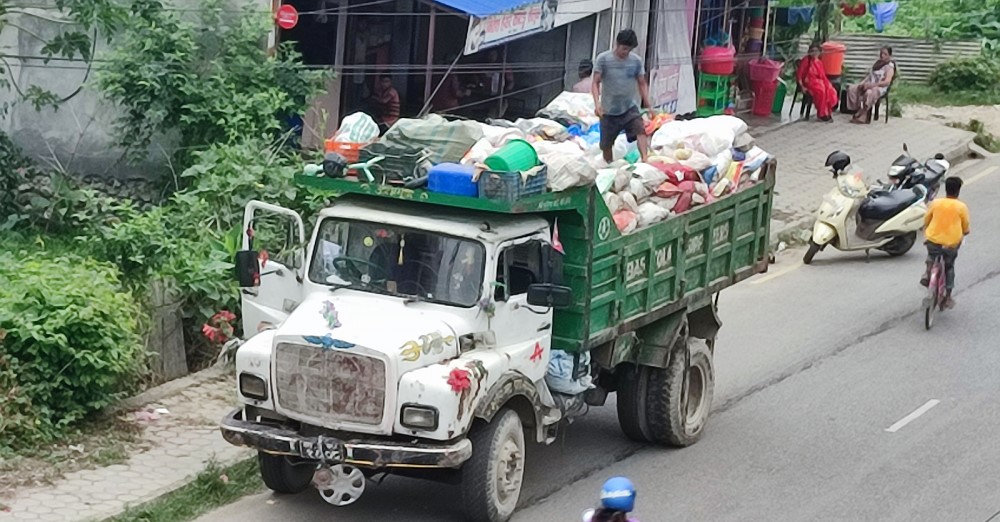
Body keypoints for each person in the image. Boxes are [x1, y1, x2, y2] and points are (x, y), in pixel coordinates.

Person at [592, 29, 653, 163]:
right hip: (608, 110)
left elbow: (642, 83)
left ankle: (645, 159)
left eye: (629, 50)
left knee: (640, 130)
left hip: (629, 107)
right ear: (617, 44)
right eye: (624, 48)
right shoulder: (603, 59)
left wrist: (648, 105)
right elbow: (595, 83)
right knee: (606, 145)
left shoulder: (636, 61)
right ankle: (609, 165)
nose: (625, 52)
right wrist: (597, 105)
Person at [920, 176, 970, 309]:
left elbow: (926, 219)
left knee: (931, 254)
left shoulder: (935, 203)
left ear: (946, 189)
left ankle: (928, 271)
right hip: (950, 244)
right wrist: (965, 232)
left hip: (933, 240)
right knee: (949, 266)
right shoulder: (961, 207)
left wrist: (926, 228)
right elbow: (965, 226)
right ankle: (947, 297)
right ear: (958, 191)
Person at [847, 46, 896, 124]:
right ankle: (858, 109)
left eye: (885, 54)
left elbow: (887, 82)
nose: (882, 55)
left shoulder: (890, 67)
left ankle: (864, 115)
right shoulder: (877, 64)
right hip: (870, 84)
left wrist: (872, 85)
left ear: (889, 56)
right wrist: (862, 83)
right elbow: (869, 76)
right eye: (881, 53)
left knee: (869, 93)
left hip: (879, 87)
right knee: (852, 89)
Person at [796, 44, 838, 122]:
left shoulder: (819, 62)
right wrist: (802, 86)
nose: (814, 53)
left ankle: (827, 112)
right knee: (821, 90)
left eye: (816, 51)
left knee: (831, 91)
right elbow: (799, 74)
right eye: (812, 51)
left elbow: (823, 76)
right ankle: (821, 114)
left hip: (820, 81)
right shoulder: (806, 60)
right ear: (809, 52)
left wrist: (827, 85)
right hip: (809, 83)